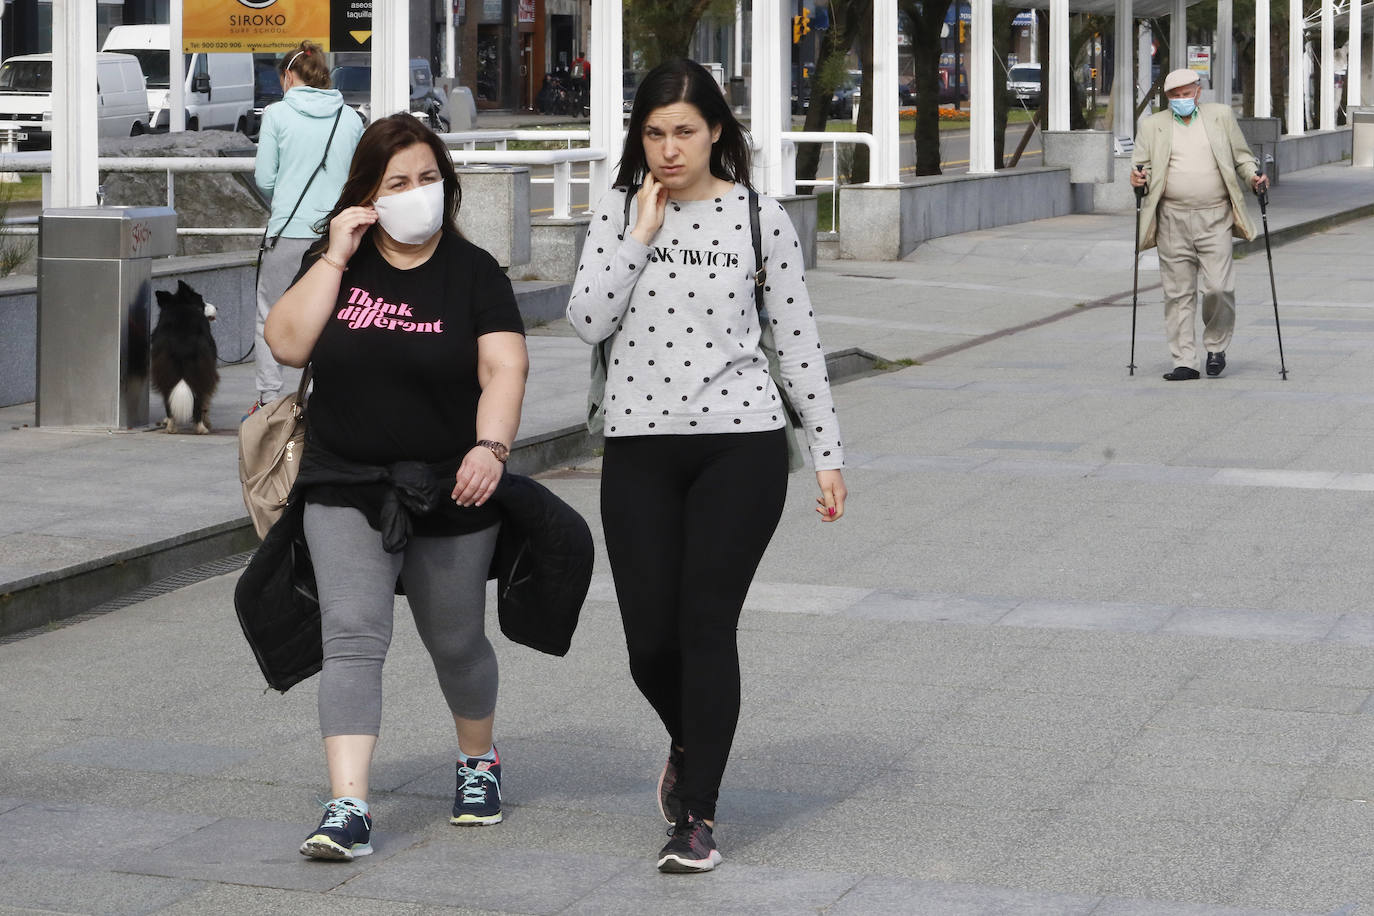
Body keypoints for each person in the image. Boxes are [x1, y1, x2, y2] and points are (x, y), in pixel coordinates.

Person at [566, 58, 848, 874]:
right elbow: (586, 319)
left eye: (685, 131)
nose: (668, 149)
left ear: (716, 132)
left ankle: (698, 817)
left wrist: (827, 451)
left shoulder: (760, 220)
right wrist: (640, 235)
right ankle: (692, 742)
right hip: (639, 448)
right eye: (654, 133)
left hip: (741, 444)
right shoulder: (619, 212)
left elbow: (796, 342)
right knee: (648, 642)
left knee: (704, 626)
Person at [263, 113, 529, 861]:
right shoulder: (338, 259)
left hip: (452, 486)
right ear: (368, 197)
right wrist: (335, 257)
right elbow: (286, 345)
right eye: (398, 183)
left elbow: (505, 367)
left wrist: (491, 446)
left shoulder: (474, 272)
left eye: (428, 178)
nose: (419, 194)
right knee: (352, 634)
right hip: (344, 480)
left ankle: (478, 760)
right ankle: (349, 806)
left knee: (456, 638)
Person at [1131, 67, 1267, 381]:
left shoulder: (1220, 116)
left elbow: (1242, 157)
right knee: (1178, 293)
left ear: (1197, 91)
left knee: (1219, 287)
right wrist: (1138, 178)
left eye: (1186, 93)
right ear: (1167, 98)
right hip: (1171, 218)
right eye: (1174, 96)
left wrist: (1253, 177)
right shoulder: (1153, 126)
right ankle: (1185, 361)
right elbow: (1141, 169)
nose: (1181, 100)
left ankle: (1216, 345)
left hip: (1215, 215)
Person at [251, 40, 363, 411]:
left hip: (288, 231)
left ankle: (270, 398)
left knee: (271, 311)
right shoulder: (349, 117)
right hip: (337, 235)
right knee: (332, 312)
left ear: (288, 76)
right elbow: (359, 176)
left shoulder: (277, 114)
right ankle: (327, 392)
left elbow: (265, 178)